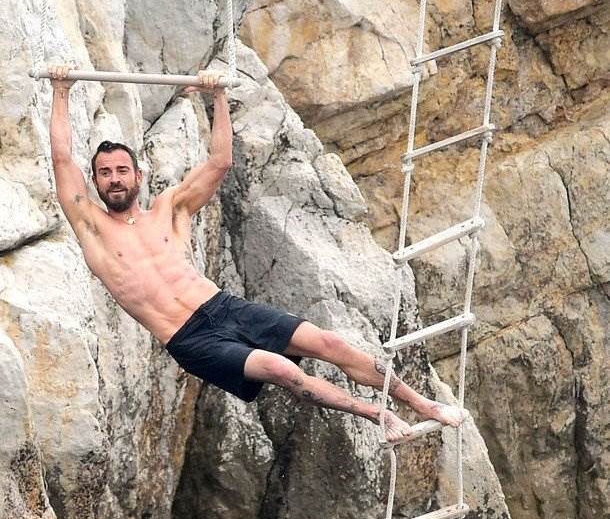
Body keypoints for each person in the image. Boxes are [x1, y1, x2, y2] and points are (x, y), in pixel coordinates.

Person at [46, 65, 463, 441]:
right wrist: (61, 90)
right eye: (105, 173)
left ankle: (423, 403)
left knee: (329, 341)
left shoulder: (170, 209)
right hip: (190, 338)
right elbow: (62, 159)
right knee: (282, 369)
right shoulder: (92, 226)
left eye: (122, 170)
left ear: (138, 175)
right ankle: (378, 415)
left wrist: (218, 97)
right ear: (95, 182)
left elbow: (220, 162)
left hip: (223, 306)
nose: (114, 179)